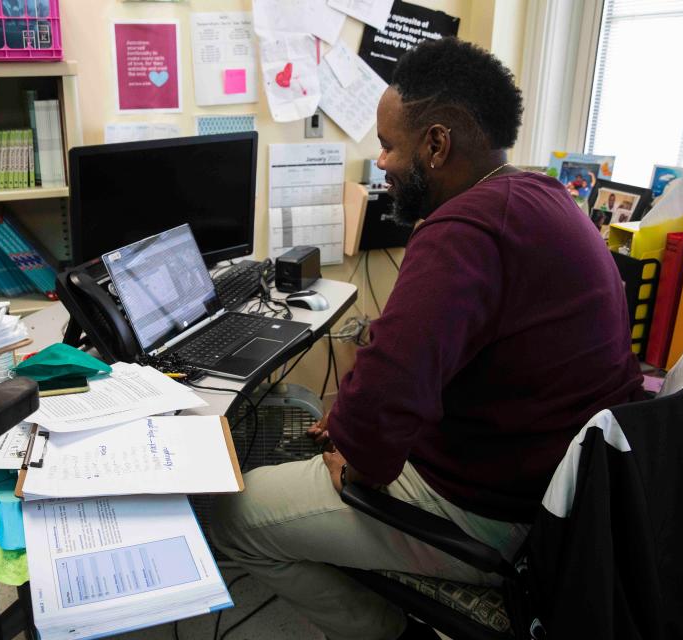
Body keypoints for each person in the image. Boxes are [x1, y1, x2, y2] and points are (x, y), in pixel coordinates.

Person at [211, 37, 643, 640]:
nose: (381, 162)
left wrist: (355, 455)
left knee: (229, 514)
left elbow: (381, 415)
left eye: (389, 145)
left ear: (436, 144)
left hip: (492, 515)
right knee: (320, 427)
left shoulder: (464, 230)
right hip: (559, 496)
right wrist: (354, 418)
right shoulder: (543, 196)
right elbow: (411, 356)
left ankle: (392, 634)